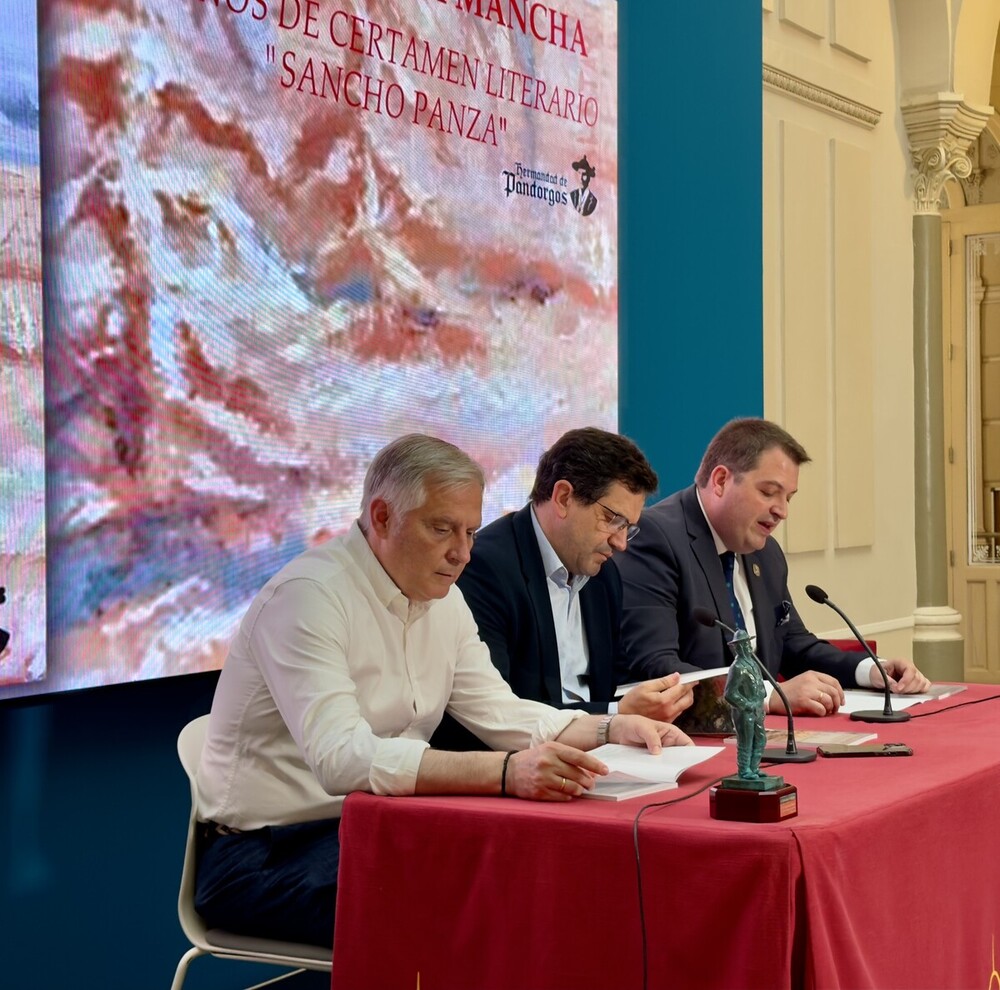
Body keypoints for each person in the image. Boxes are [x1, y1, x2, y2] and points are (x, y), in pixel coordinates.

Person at [194, 434, 691, 947]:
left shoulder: (443, 599)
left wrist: (611, 727)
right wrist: (504, 773)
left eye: (471, 532)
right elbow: (340, 758)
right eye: (442, 529)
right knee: (480, 907)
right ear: (382, 517)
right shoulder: (308, 598)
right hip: (268, 852)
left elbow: (500, 711)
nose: (462, 553)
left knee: (549, 872)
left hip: (378, 824)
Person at [614, 417, 931, 717]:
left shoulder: (765, 553)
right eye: (768, 492)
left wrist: (871, 670)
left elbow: (794, 646)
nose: (782, 511)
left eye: (789, 497)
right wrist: (766, 696)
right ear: (721, 480)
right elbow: (659, 669)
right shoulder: (656, 538)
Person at [454, 427, 694, 723]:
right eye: (613, 520)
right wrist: (614, 714)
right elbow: (497, 712)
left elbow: (614, 686)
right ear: (564, 497)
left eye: (628, 528)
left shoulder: (604, 578)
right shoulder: (486, 567)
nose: (620, 543)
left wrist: (654, 699)